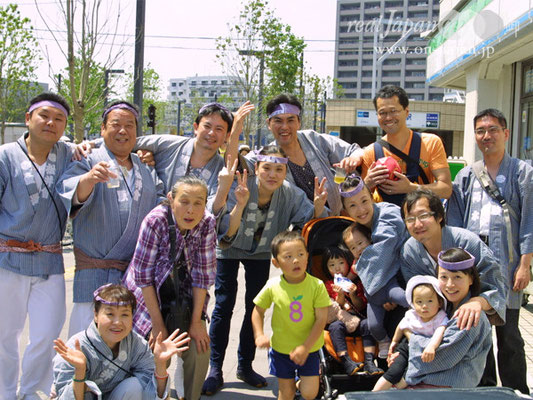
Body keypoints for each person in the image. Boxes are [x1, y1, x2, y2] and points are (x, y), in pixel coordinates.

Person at [202, 145, 328, 395]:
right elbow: (220, 223)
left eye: (279, 169)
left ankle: (245, 365)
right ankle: (215, 368)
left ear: (285, 172)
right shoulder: (242, 185)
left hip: (261, 252)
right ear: (256, 168)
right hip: (229, 246)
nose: (272, 174)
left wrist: (317, 207)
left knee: (254, 305)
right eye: (267, 168)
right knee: (223, 305)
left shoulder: (289, 193)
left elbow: (307, 222)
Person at [58, 101, 164, 336]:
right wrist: (89, 179)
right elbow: (69, 191)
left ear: (137, 132)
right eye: (116, 125)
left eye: (129, 125)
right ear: (103, 128)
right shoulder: (87, 158)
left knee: (126, 348)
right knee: (84, 342)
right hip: (95, 270)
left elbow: (161, 204)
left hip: (133, 277)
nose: (123, 131)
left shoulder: (145, 168)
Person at [447, 108, 533, 393]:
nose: (487, 135)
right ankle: (484, 389)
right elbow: (456, 223)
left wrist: (525, 264)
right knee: (478, 330)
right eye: (481, 131)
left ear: (506, 133)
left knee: (509, 335)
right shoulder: (467, 176)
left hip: (508, 265)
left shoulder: (523, 172)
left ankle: (516, 390)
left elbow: (529, 221)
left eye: (493, 129)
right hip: (475, 267)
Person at [0, 93, 74, 399]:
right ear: (28, 119)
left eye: (59, 119)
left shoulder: (69, 154)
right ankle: (5, 390)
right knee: (5, 334)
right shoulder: (5, 156)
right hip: (7, 258)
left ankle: (32, 390)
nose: (51, 123)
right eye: (44, 116)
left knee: (46, 333)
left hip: (49, 259)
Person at [122, 176, 217, 400]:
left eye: (198, 203)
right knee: (157, 351)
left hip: (185, 295)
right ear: (171, 199)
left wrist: (196, 322)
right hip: (149, 296)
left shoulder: (207, 222)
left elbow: (203, 275)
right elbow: (143, 276)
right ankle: (155, 395)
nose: (191, 210)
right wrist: (157, 324)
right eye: (184, 201)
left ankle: (190, 396)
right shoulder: (155, 220)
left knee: (199, 347)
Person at [226, 94, 364, 215]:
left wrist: (353, 158)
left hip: (336, 217)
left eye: (290, 120)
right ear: (269, 124)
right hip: (298, 228)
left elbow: (354, 151)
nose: (284, 127)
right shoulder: (267, 155)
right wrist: (234, 133)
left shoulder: (314, 139)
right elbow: (233, 165)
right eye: (278, 121)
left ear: (299, 122)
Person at [52, 284, 190, 400]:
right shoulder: (76, 348)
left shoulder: (137, 344)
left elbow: (153, 396)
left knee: (134, 386)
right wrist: (80, 372)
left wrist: (160, 365)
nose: (117, 323)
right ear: (95, 315)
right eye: (110, 314)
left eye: (124, 314)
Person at [400, 188, 507, 331]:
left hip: (471, 320)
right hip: (432, 325)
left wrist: (478, 302)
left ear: (439, 217)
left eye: (424, 216)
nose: (417, 224)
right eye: (410, 219)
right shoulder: (409, 251)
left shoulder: (467, 242)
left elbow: (496, 286)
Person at [252, 230, 331, 400]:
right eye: (288, 257)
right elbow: (258, 310)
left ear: (307, 256)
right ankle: (291, 386)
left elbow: (321, 320)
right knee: (285, 393)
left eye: (300, 254)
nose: (296, 260)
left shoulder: (317, 285)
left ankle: (298, 383)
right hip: (281, 349)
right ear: (276, 262)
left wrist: (305, 347)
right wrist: (259, 335)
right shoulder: (273, 285)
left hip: (309, 349)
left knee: (309, 393)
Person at [403, 248, 492, 388]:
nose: (450, 284)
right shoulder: (445, 308)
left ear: (471, 279)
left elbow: (440, 356)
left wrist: (409, 337)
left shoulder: (470, 314)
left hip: (449, 390)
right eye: (444, 277)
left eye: (457, 277)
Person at [340, 176, 409, 354]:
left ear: (372, 198)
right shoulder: (360, 228)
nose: (361, 209)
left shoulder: (387, 215)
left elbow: (380, 257)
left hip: (408, 278)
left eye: (364, 200)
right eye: (352, 205)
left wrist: (379, 290)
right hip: (386, 287)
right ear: (346, 210)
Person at [362, 85, 452, 206]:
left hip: (422, 218)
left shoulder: (430, 143)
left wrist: (410, 188)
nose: (388, 118)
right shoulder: (371, 152)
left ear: (407, 112)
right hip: (388, 220)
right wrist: (367, 184)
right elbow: (362, 199)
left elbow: (446, 189)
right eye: (382, 113)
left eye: (394, 111)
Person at [373, 275, 448, 391]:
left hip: (424, 352)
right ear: (412, 303)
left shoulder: (440, 317)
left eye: (430, 301)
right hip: (406, 347)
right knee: (394, 372)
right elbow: (402, 326)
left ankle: (394, 391)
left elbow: (440, 331)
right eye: (419, 302)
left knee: (408, 378)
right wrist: (394, 341)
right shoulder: (412, 315)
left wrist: (432, 346)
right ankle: (374, 393)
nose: (424, 306)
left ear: (439, 302)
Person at [322, 237, 384, 376]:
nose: (337, 267)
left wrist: (354, 294)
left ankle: (369, 360)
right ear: (326, 268)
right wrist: (340, 296)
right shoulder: (327, 285)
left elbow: (360, 306)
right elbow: (334, 308)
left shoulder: (357, 282)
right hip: (339, 321)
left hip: (357, 319)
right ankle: (346, 360)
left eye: (341, 263)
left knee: (368, 324)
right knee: (335, 327)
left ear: (347, 263)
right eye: (332, 265)